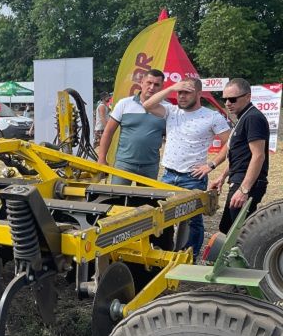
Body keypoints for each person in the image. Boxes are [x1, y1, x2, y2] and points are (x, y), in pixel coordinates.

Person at [142, 77, 231, 258]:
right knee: (163, 216)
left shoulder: (211, 116)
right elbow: (147, 105)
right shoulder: (171, 111)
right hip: (168, 174)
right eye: (179, 92)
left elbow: (230, 143)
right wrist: (171, 88)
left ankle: (190, 256)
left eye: (186, 92)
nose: (181, 96)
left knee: (193, 220)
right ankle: (165, 254)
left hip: (193, 177)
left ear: (199, 94)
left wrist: (211, 164)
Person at [208, 78, 270, 233]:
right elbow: (240, 156)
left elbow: (258, 156)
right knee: (227, 229)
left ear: (248, 97)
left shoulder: (253, 118)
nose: (228, 103)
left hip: (247, 183)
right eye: (225, 99)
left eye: (233, 99)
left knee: (237, 233)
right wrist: (222, 177)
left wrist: (244, 189)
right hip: (239, 180)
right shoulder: (243, 117)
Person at [97, 69, 166, 185]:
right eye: (149, 83)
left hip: (150, 165)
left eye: (156, 84)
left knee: (146, 202)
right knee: (118, 197)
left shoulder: (167, 109)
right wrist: (102, 158)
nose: (152, 87)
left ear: (162, 87)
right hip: (124, 164)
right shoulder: (124, 104)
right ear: (141, 82)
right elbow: (108, 132)